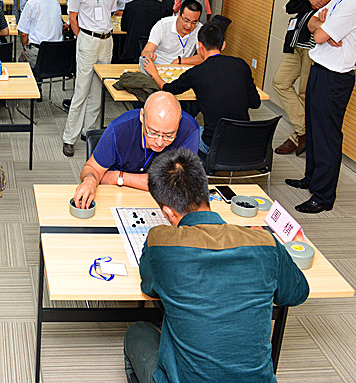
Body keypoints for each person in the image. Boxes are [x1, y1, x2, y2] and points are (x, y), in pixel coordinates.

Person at [123, 148, 309, 383]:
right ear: (206, 192)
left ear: (168, 212)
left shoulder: (160, 241)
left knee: (137, 332)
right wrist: (269, 246)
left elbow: (149, 286)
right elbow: (297, 293)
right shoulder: (265, 242)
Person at [287, 0, 356, 213]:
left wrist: (322, 28)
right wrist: (322, 26)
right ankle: (311, 178)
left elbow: (320, 34)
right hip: (320, 68)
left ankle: (323, 196)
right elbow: (312, 21)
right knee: (314, 128)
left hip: (335, 77)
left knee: (327, 136)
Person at [272, 0, 352, 155]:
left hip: (316, 45)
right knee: (280, 82)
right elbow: (297, 1)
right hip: (298, 39)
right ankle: (304, 131)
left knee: (305, 94)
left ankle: (297, 136)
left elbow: (323, 4)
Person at [143, 22, 260, 158]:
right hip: (245, 140)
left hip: (213, 143)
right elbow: (255, 103)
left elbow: (169, 89)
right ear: (223, 45)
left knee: (180, 132)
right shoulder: (241, 65)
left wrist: (154, 73)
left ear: (200, 45)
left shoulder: (197, 72)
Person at [73, 92, 199, 206]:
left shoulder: (189, 130)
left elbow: (179, 183)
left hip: (159, 201)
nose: (160, 142)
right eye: (152, 132)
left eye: (169, 135)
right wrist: (89, 181)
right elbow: (92, 168)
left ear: (179, 121)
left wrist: (119, 177)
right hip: (117, 195)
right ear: (142, 116)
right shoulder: (119, 129)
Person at [62, 0, 120, 157]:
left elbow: (109, 14)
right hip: (87, 39)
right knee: (81, 91)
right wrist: (82, 38)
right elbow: (73, 17)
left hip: (106, 42)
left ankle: (90, 132)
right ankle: (69, 137)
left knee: (97, 91)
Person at [18, 0, 63, 69]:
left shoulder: (32, 3)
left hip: (38, 52)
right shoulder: (56, 3)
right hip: (56, 53)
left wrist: (25, 49)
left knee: (20, 62)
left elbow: (23, 34)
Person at [141, 0, 204, 66]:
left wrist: (179, 61)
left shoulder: (199, 29)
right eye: (186, 20)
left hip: (184, 68)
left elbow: (203, 57)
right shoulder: (162, 25)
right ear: (179, 14)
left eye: (194, 22)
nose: (189, 26)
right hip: (160, 67)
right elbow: (145, 52)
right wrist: (149, 55)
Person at [120, 0, 164, 64]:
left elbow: (124, 27)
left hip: (131, 53)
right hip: (154, 53)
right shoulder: (162, 7)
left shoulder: (130, 6)